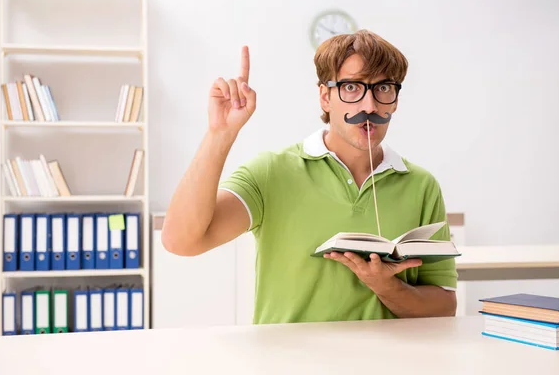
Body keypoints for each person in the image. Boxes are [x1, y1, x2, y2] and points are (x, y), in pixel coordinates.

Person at [162, 29, 458, 324]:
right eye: (352, 88)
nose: (370, 106)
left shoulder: (422, 186)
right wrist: (219, 134)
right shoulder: (271, 173)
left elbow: (444, 308)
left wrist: (386, 286)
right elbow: (180, 241)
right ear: (325, 97)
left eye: (383, 89)